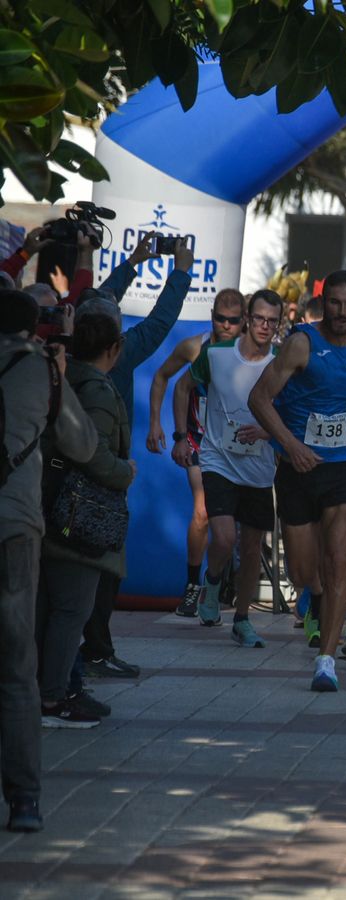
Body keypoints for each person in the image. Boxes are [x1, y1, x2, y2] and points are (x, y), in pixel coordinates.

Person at [249, 270, 346, 692]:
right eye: (335, 303)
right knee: (309, 572)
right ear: (323, 302)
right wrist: (290, 445)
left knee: (340, 559)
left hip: (344, 467)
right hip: (298, 468)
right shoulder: (302, 344)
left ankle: (327, 658)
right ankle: (317, 601)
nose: (343, 313)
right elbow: (259, 398)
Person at [75, 238, 195, 681]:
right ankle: (95, 651)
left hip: (56, 480)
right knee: (106, 568)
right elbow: (161, 321)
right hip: (103, 481)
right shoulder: (117, 357)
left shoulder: (65, 351)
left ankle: (74, 652)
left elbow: (94, 303)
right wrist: (181, 270)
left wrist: (131, 264)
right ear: (112, 338)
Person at [0, 290, 97, 833]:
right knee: (17, 671)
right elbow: (81, 445)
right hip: (14, 527)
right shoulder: (41, 369)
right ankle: (25, 801)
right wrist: (58, 369)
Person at [37, 311, 135, 731]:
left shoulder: (62, 374)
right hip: (79, 517)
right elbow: (89, 451)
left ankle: (55, 688)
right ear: (114, 349)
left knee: (51, 609)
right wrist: (123, 471)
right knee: (71, 610)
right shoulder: (94, 387)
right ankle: (53, 697)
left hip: (51, 506)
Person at [180, 289, 283, 648]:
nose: (264, 326)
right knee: (224, 537)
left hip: (258, 466)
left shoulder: (282, 360)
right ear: (247, 320)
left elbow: (294, 411)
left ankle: (242, 619)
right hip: (218, 458)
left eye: (272, 320)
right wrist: (181, 436)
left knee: (253, 547)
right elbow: (183, 385)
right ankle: (211, 582)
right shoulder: (216, 354)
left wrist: (269, 430)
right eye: (258, 319)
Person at [144, 289, 245, 615]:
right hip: (202, 441)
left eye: (233, 320)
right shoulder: (194, 347)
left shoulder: (252, 352)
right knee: (202, 513)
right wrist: (163, 428)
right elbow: (162, 377)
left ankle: (221, 581)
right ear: (211, 315)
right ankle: (192, 585)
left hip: (240, 444)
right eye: (220, 318)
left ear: (243, 321)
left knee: (235, 522)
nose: (226, 326)